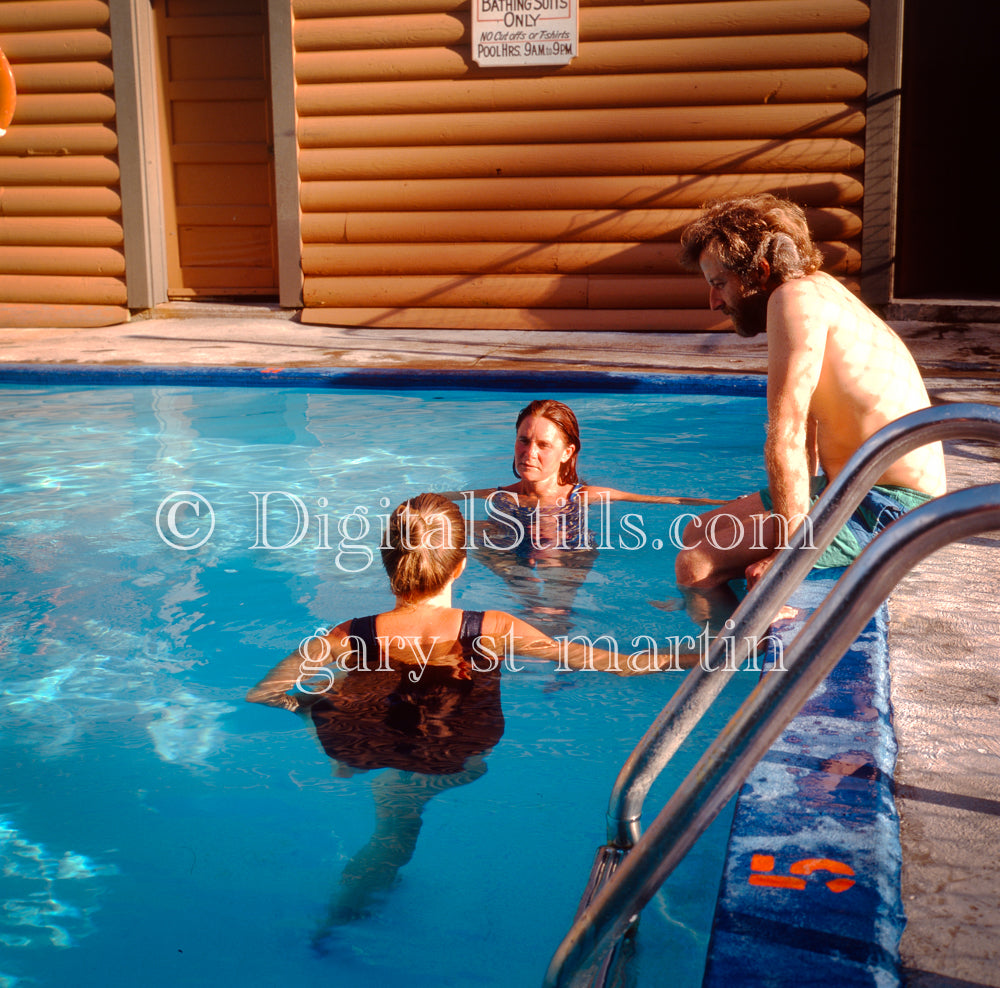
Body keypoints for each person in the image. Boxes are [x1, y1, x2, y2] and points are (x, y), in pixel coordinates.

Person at [247, 494, 692, 939]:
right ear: (459, 565)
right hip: (456, 756)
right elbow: (618, 663)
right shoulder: (493, 627)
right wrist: (711, 652)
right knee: (434, 781)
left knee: (392, 835)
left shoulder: (350, 633)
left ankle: (332, 928)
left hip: (374, 750)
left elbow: (265, 694)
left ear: (387, 561)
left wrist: (317, 710)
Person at [673, 194, 946, 612]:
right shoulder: (819, 291)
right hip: (853, 490)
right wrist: (800, 518)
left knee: (696, 564)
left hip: (894, 506)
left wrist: (789, 557)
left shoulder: (794, 300)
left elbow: (786, 434)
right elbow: (808, 432)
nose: (713, 302)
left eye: (718, 283)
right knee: (696, 531)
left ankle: (720, 660)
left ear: (760, 271)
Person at [441, 399, 723, 632]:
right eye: (524, 441)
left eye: (543, 445)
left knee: (550, 541)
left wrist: (729, 503)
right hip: (512, 559)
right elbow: (432, 504)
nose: (529, 453)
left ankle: (554, 625)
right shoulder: (499, 496)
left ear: (567, 452)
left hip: (567, 555)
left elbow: (666, 501)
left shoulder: (581, 495)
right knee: (466, 529)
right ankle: (531, 603)